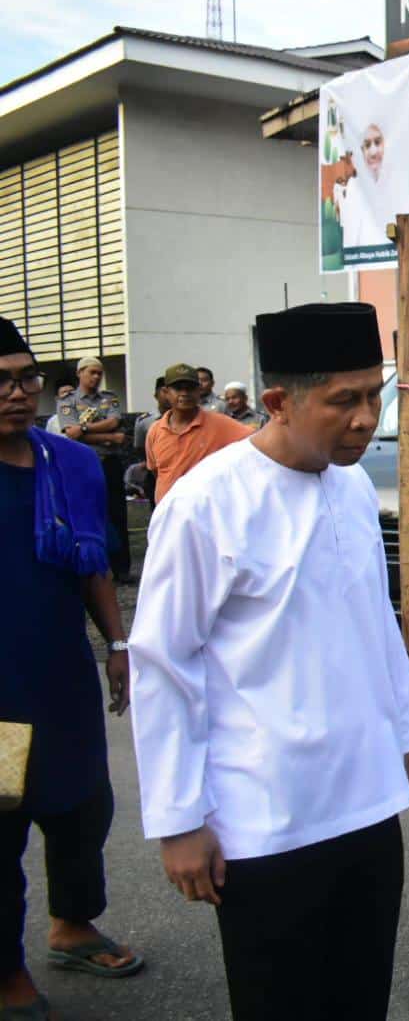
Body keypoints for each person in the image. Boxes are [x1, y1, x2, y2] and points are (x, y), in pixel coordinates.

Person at [129, 302, 409, 1021]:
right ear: (277, 402)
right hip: (264, 820)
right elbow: (164, 663)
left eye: (374, 396)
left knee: (360, 997)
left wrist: (404, 730)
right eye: (343, 401)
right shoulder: (205, 503)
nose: (366, 418)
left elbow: (373, 622)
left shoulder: (352, 487)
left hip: (365, 805)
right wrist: (179, 819)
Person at [0, 317, 145, 1021]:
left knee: (82, 806)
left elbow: (93, 565)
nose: (16, 393)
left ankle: (73, 924)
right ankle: (4, 969)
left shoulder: (72, 465)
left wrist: (117, 647)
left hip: (59, 673)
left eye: (25, 378)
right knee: (1, 825)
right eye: (0, 382)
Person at [55, 357, 130, 582]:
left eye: (99, 373)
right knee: (89, 513)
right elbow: (70, 433)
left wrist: (85, 428)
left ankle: (122, 567)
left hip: (109, 462)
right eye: (92, 372)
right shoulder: (68, 400)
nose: (96, 377)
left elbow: (114, 422)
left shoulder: (109, 398)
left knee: (117, 513)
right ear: (80, 373)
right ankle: (95, 564)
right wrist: (110, 437)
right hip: (83, 464)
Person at [143, 363, 253, 504]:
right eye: (178, 388)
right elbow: (156, 472)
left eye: (190, 388)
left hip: (206, 513)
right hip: (169, 515)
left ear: (199, 391)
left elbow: (256, 444)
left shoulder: (220, 424)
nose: (184, 393)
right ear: (166, 392)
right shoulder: (155, 430)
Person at [340, 122, 409, 250]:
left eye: (377, 143)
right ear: (362, 151)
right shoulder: (355, 188)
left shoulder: (400, 182)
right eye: (367, 145)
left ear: (385, 144)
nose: (373, 151)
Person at [127, 377, 169, 501]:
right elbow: (140, 447)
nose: (168, 396)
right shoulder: (145, 421)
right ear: (156, 395)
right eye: (164, 391)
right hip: (155, 472)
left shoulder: (186, 419)